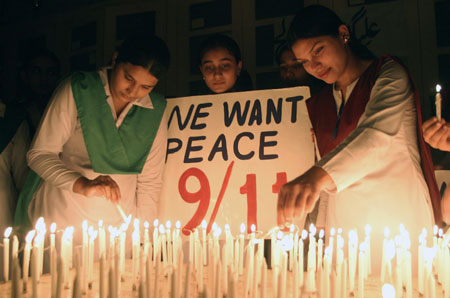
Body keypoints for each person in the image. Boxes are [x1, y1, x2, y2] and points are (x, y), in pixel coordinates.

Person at [277, 5, 441, 272]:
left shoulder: (388, 75)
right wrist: (316, 226)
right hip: (344, 228)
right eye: (303, 61)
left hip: (397, 220)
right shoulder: (319, 104)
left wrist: (314, 177)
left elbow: (374, 136)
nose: (313, 66)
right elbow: (328, 174)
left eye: (318, 50)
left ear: (343, 34)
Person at [15, 36, 170, 236]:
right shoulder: (78, 89)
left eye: (146, 87)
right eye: (128, 78)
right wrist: (82, 184)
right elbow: (39, 154)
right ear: (115, 60)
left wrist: (146, 239)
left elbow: (150, 182)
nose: (133, 91)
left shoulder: (154, 109)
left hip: (117, 226)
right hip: (63, 218)